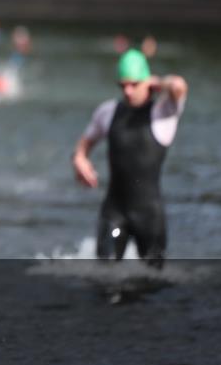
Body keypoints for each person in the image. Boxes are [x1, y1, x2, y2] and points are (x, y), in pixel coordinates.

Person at [71, 49, 188, 269]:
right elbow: (84, 143)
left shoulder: (165, 112)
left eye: (134, 84)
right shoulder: (108, 111)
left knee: (153, 285)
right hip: (115, 214)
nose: (127, 90)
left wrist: (159, 82)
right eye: (122, 85)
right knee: (104, 280)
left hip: (149, 218)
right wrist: (79, 158)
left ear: (148, 82)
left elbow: (179, 85)